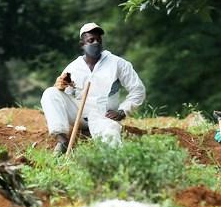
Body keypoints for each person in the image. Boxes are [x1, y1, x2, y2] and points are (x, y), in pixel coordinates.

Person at [41, 22, 146, 155]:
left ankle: (110, 166)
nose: (96, 43)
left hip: (104, 115)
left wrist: (122, 111)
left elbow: (138, 90)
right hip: (79, 115)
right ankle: (62, 141)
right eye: (91, 40)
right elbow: (65, 95)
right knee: (50, 93)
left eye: (98, 40)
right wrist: (61, 88)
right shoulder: (73, 68)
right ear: (82, 44)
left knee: (111, 135)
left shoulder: (117, 63)